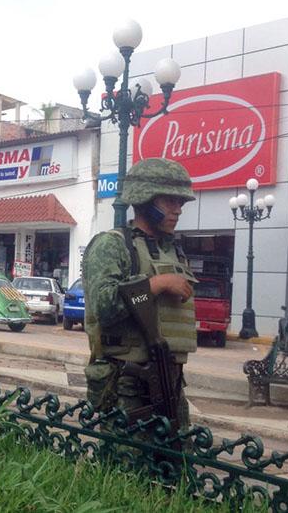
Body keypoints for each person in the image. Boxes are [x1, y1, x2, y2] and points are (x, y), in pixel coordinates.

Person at [82, 158, 197, 432]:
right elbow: (104, 307)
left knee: (177, 455)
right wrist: (156, 284)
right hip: (127, 387)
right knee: (127, 458)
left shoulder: (173, 250)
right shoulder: (113, 245)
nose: (178, 209)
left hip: (169, 382)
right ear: (144, 200)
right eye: (169, 201)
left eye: (181, 202)